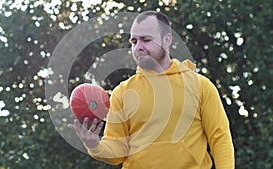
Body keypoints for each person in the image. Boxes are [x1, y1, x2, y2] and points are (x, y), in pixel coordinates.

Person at [68, 10, 235, 169]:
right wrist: (95, 145)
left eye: (146, 40)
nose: (138, 47)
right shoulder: (122, 93)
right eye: (134, 41)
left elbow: (220, 138)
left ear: (167, 40)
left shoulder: (200, 86)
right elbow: (117, 149)